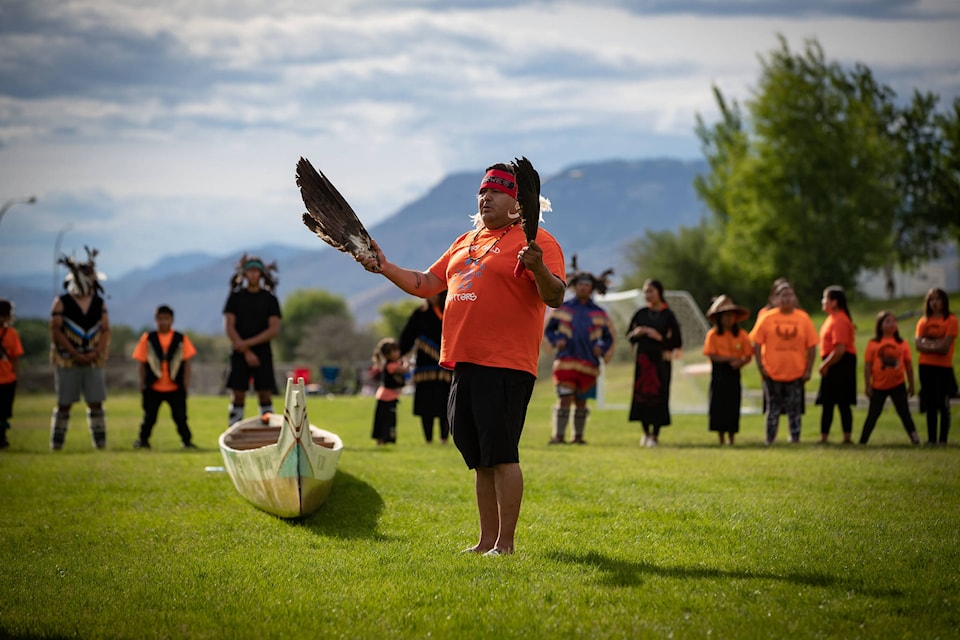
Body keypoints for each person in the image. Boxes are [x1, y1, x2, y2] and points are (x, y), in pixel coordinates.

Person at [355, 160, 565, 556]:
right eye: (482, 192)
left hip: (505, 362)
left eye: (496, 192)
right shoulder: (463, 242)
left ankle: (505, 545)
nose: (486, 197)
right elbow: (426, 284)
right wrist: (383, 267)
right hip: (463, 362)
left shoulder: (538, 242)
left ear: (517, 202)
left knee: (502, 454)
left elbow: (554, 296)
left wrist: (537, 268)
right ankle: (486, 540)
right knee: (480, 459)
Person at [543, 261, 615, 444]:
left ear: (592, 288)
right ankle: (558, 436)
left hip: (589, 364)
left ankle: (578, 437)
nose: (583, 288)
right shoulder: (563, 308)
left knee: (581, 401)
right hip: (566, 361)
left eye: (587, 285)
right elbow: (548, 329)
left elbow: (609, 337)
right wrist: (555, 340)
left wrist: (603, 349)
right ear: (575, 287)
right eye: (580, 285)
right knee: (564, 398)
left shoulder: (599, 313)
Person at [49, 248, 111, 450]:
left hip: (93, 358)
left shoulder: (99, 303)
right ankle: (57, 444)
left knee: (96, 402)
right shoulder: (62, 302)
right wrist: (74, 353)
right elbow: (56, 331)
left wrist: (96, 352)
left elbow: (105, 330)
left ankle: (100, 444)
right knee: (64, 403)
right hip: (68, 359)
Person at [750, 281, 818, 445]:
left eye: (790, 295)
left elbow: (812, 346)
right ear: (776, 298)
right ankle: (770, 439)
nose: (787, 299)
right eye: (783, 295)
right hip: (772, 372)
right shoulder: (767, 318)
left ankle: (795, 438)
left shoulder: (803, 318)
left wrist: (808, 369)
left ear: (795, 298)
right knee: (772, 409)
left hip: (796, 372)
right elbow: (756, 344)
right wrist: (761, 367)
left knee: (794, 410)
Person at [223, 254, 282, 426]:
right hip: (239, 352)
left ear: (262, 274)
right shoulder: (235, 298)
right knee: (238, 394)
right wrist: (245, 350)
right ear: (244, 273)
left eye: (256, 271)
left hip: (262, 352)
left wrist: (247, 345)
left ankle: (268, 431)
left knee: (264, 393)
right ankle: (234, 431)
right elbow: (229, 327)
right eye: (250, 271)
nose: (253, 275)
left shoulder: (270, 299)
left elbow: (273, 329)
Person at [131, 305, 198, 450]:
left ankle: (187, 442)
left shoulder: (181, 338)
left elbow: (187, 362)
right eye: (160, 319)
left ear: (172, 320)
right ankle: (143, 441)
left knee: (180, 417)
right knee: (149, 417)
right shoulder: (148, 338)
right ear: (156, 320)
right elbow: (142, 362)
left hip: (175, 386)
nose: (163, 322)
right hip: (153, 386)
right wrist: (142, 383)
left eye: (166, 319)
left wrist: (185, 383)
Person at [627, 278, 682, 447]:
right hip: (643, 363)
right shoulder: (641, 313)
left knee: (659, 396)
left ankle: (655, 435)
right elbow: (629, 335)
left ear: (659, 292)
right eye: (645, 292)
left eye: (651, 291)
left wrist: (660, 337)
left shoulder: (668, 315)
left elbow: (677, 341)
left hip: (660, 363)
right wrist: (637, 333)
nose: (647, 295)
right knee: (642, 396)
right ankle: (645, 433)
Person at [399, 291, 452, 444]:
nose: (431, 297)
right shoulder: (420, 314)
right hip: (425, 367)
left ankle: (444, 439)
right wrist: (398, 354)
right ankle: (428, 439)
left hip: (446, 365)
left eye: (435, 294)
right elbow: (407, 336)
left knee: (445, 405)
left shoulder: (451, 310)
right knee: (426, 405)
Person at [860, 311, 920, 445]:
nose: (892, 324)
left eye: (894, 321)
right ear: (880, 325)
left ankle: (915, 438)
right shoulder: (873, 343)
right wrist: (867, 385)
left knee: (905, 413)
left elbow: (909, 366)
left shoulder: (902, 343)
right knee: (873, 415)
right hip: (878, 386)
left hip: (898, 384)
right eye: (887, 321)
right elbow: (868, 366)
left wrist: (911, 384)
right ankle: (863, 441)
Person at [702, 295, 752, 445]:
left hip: (734, 373)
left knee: (733, 404)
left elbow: (748, 355)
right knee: (718, 405)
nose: (729, 319)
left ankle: (732, 437)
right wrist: (730, 359)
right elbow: (711, 355)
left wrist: (740, 363)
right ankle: (721, 437)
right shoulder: (713, 335)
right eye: (725, 316)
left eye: (731, 315)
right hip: (719, 373)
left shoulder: (742, 335)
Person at [914, 287, 957, 446]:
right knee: (930, 403)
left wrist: (928, 344)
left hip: (944, 367)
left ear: (944, 301)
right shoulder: (923, 322)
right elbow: (918, 345)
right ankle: (932, 439)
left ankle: (943, 440)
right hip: (925, 366)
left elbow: (945, 347)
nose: (934, 303)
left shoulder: (951, 320)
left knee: (942, 404)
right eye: (931, 299)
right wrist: (936, 345)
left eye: (937, 299)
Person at [815, 286, 857, 444]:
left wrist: (825, 365)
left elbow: (840, 349)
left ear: (834, 302)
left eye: (825, 298)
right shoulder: (831, 318)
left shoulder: (840, 319)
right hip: (834, 361)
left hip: (840, 363)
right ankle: (824, 437)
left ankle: (847, 437)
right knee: (828, 402)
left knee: (842, 402)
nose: (823, 301)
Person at [370, 337, 410, 445]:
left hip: (389, 397)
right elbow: (405, 369)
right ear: (387, 354)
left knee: (388, 420)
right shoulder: (391, 365)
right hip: (387, 397)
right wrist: (406, 360)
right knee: (385, 421)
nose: (397, 353)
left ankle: (387, 440)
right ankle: (383, 440)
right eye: (394, 351)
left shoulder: (393, 364)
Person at [0, 298, 25, 450]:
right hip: (8, 379)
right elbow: (15, 358)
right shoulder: (11, 334)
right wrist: (15, 375)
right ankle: (1, 437)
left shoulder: (12, 334)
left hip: (7, 379)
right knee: (3, 412)